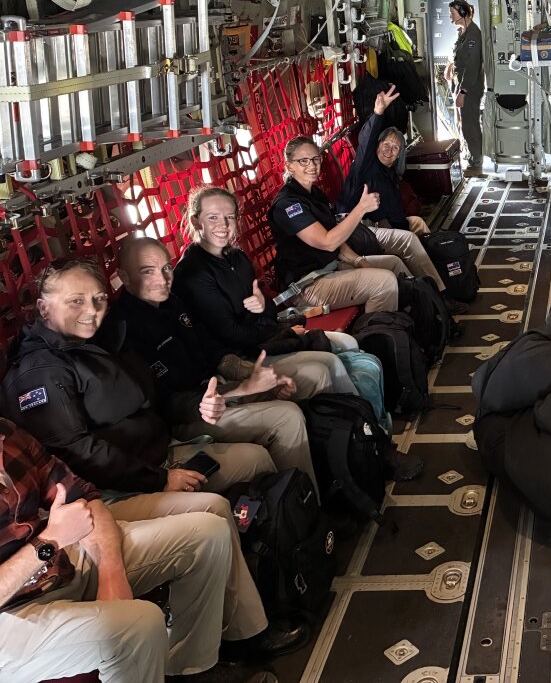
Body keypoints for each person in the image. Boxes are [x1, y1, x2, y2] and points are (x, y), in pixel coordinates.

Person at [1, 259, 307, 664]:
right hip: (122, 485)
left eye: (97, 299)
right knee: (212, 511)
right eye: (75, 301)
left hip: (156, 457)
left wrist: (212, 404)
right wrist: (159, 479)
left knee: (256, 461)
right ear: (44, 309)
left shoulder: (105, 340)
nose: (91, 310)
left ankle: (276, 572)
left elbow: (156, 401)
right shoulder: (40, 372)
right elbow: (78, 454)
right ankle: (236, 635)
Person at [0, 419, 276, 683]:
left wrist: (111, 570)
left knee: (208, 533)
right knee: (141, 624)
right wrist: (48, 542)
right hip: (11, 609)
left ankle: (190, 670)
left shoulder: (7, 432)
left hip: (55, 564)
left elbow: (83, 496)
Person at [174, 189, 424, 479]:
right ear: (197, 221)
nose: (223, 225)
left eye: (229, 217)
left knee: (349, 343)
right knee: (326, 367)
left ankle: (371, 434)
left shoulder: (236, 257)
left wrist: (263, 311)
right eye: (213, 217)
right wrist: (276, 329)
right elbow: (231, 333)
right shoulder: (193, 272)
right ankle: (371, 446)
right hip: (238, 358)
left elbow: (265, 306)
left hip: (261, 339)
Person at [103, 238, 319, 485]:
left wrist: (247, 374)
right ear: (124, 276)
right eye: (147, 271)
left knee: (294, 386)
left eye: (165, 268)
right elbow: (165, 404)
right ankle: (300, 503)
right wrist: (241, 391)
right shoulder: (124, 330)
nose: (162, 279)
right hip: (187, 416)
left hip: (213, 388)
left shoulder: (173, 302)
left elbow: (210, 348)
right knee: (286, 418)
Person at [269, 135, 457, 314]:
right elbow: (328, 242)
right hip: (308, 286)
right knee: (384, 282)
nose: (312, 165)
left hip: (331, 268)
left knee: (393, 263)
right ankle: (380, 332)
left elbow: (338, 240)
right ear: (289, 166)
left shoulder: (314, 194)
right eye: (303, 161)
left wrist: (359, 261)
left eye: (316, 159)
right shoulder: (288, 204)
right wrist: (361, 208)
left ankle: (429, 310)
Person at [340, 85, 430, 233]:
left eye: (395, 147)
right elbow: (366, 140)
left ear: (399, 154)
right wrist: (378, 112)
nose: (389, 150)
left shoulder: (391, 174)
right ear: (377, 145)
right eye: (386, 144)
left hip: (384, 223)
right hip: (360, 228)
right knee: (410, 237)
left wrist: (404, 227)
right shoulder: (366, 165)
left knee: (417, 223)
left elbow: (395, 212)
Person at [446, 0, 485, 177]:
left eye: (453, 13)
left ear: (463, 13)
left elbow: (472, 65)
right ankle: (472, 157)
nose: (450, 17)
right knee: (465, 123)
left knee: (470, 123)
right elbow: (460, 57)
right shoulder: (463, 32)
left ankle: (477, 161)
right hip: (461, 83)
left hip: (469, 87)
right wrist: (450, 66)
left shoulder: (473, 35)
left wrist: (463, 91)